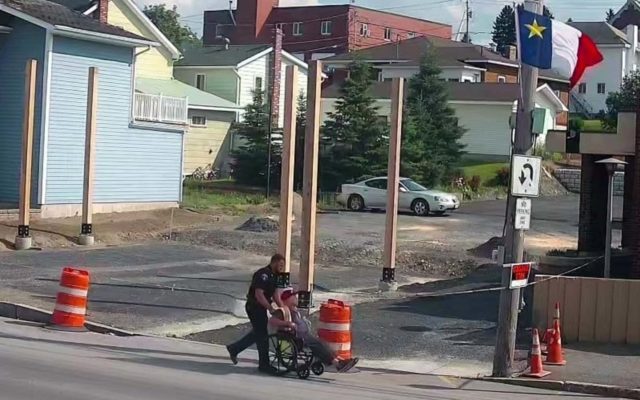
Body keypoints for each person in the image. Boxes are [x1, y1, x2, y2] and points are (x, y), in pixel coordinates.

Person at [270, 289, 359, 373]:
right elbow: (272, 321)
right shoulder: (283, 311)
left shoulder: (295, 310)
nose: (296, 298)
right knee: (317, 344)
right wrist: (287, 323)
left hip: (303, 336)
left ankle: (340, 360)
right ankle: (337, 363)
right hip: (296, 338)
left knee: (322, 343)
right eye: (293, 296)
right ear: (287, 299)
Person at [226, 253, 285, 374]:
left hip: (261, 307)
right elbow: (259, 294)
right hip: (254, 306)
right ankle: (264, 365)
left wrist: (283, 308)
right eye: (280, 265)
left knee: (258, 333)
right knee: (262, 336)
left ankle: (234, 348)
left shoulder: (275, 276)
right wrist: (270, 308)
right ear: (274, 262)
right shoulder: (263, 274)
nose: (282, 268)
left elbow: (275, 295)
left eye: (283, 266)